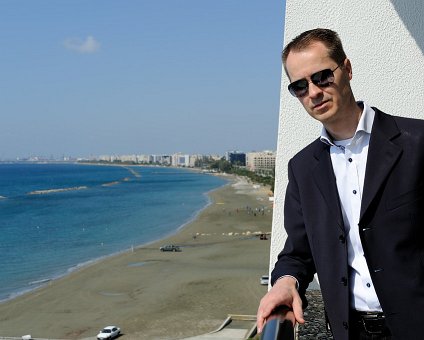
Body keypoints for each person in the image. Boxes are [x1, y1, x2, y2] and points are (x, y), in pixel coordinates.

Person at [256, 28, 424, 340]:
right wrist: (285, 282)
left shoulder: (417, 142)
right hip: (350, 332)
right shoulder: (303, 168)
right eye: (300, 86)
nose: (313, 92)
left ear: (346, 69)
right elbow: (298, 252)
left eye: (322, 77)